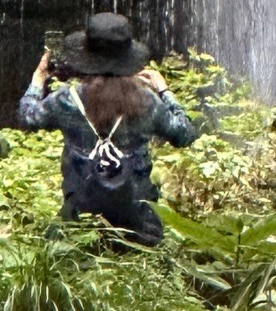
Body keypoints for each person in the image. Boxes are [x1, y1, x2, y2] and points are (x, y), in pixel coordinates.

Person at [16, 13, 201, 244]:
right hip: (139, 226)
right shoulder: (146, 101)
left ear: (86, 56)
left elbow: (27, 117)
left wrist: (38, 79)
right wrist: (164, 91)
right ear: (127, 56)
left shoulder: (68, 99)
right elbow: (185, 134)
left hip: (81, 221)